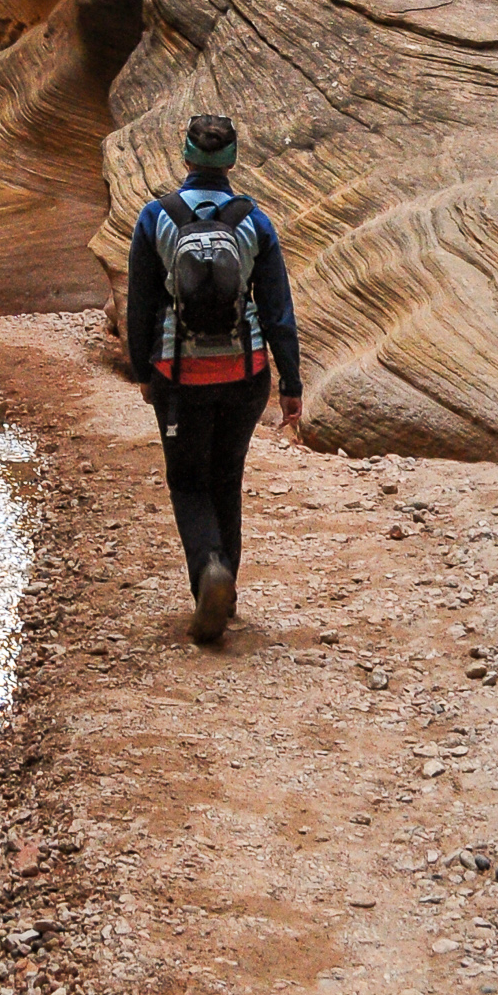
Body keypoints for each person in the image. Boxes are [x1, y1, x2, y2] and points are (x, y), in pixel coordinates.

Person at [125, 113, 303, 645]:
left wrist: (144, 371)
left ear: (185, 158)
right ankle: (227, 594)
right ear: (231, 162)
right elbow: (277, 310)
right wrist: (289, 383)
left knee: (187, 481)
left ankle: (208, 572)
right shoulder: (255, 222)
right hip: (244, 374)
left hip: (179, 376)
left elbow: (142, 305)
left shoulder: (156, 217)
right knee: (227, 477)